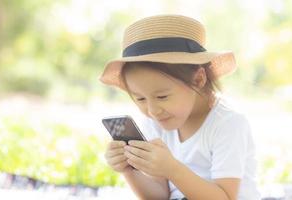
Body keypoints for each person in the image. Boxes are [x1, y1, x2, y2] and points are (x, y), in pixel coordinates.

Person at [100, 14, 261, 200]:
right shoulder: (155, 122)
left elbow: (225, 197)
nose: (152, 110)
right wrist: (129, 169)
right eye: (140, 99)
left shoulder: (228, 124)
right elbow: (159, 195)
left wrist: (172, 169)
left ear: (198, 79)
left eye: (162, 96)